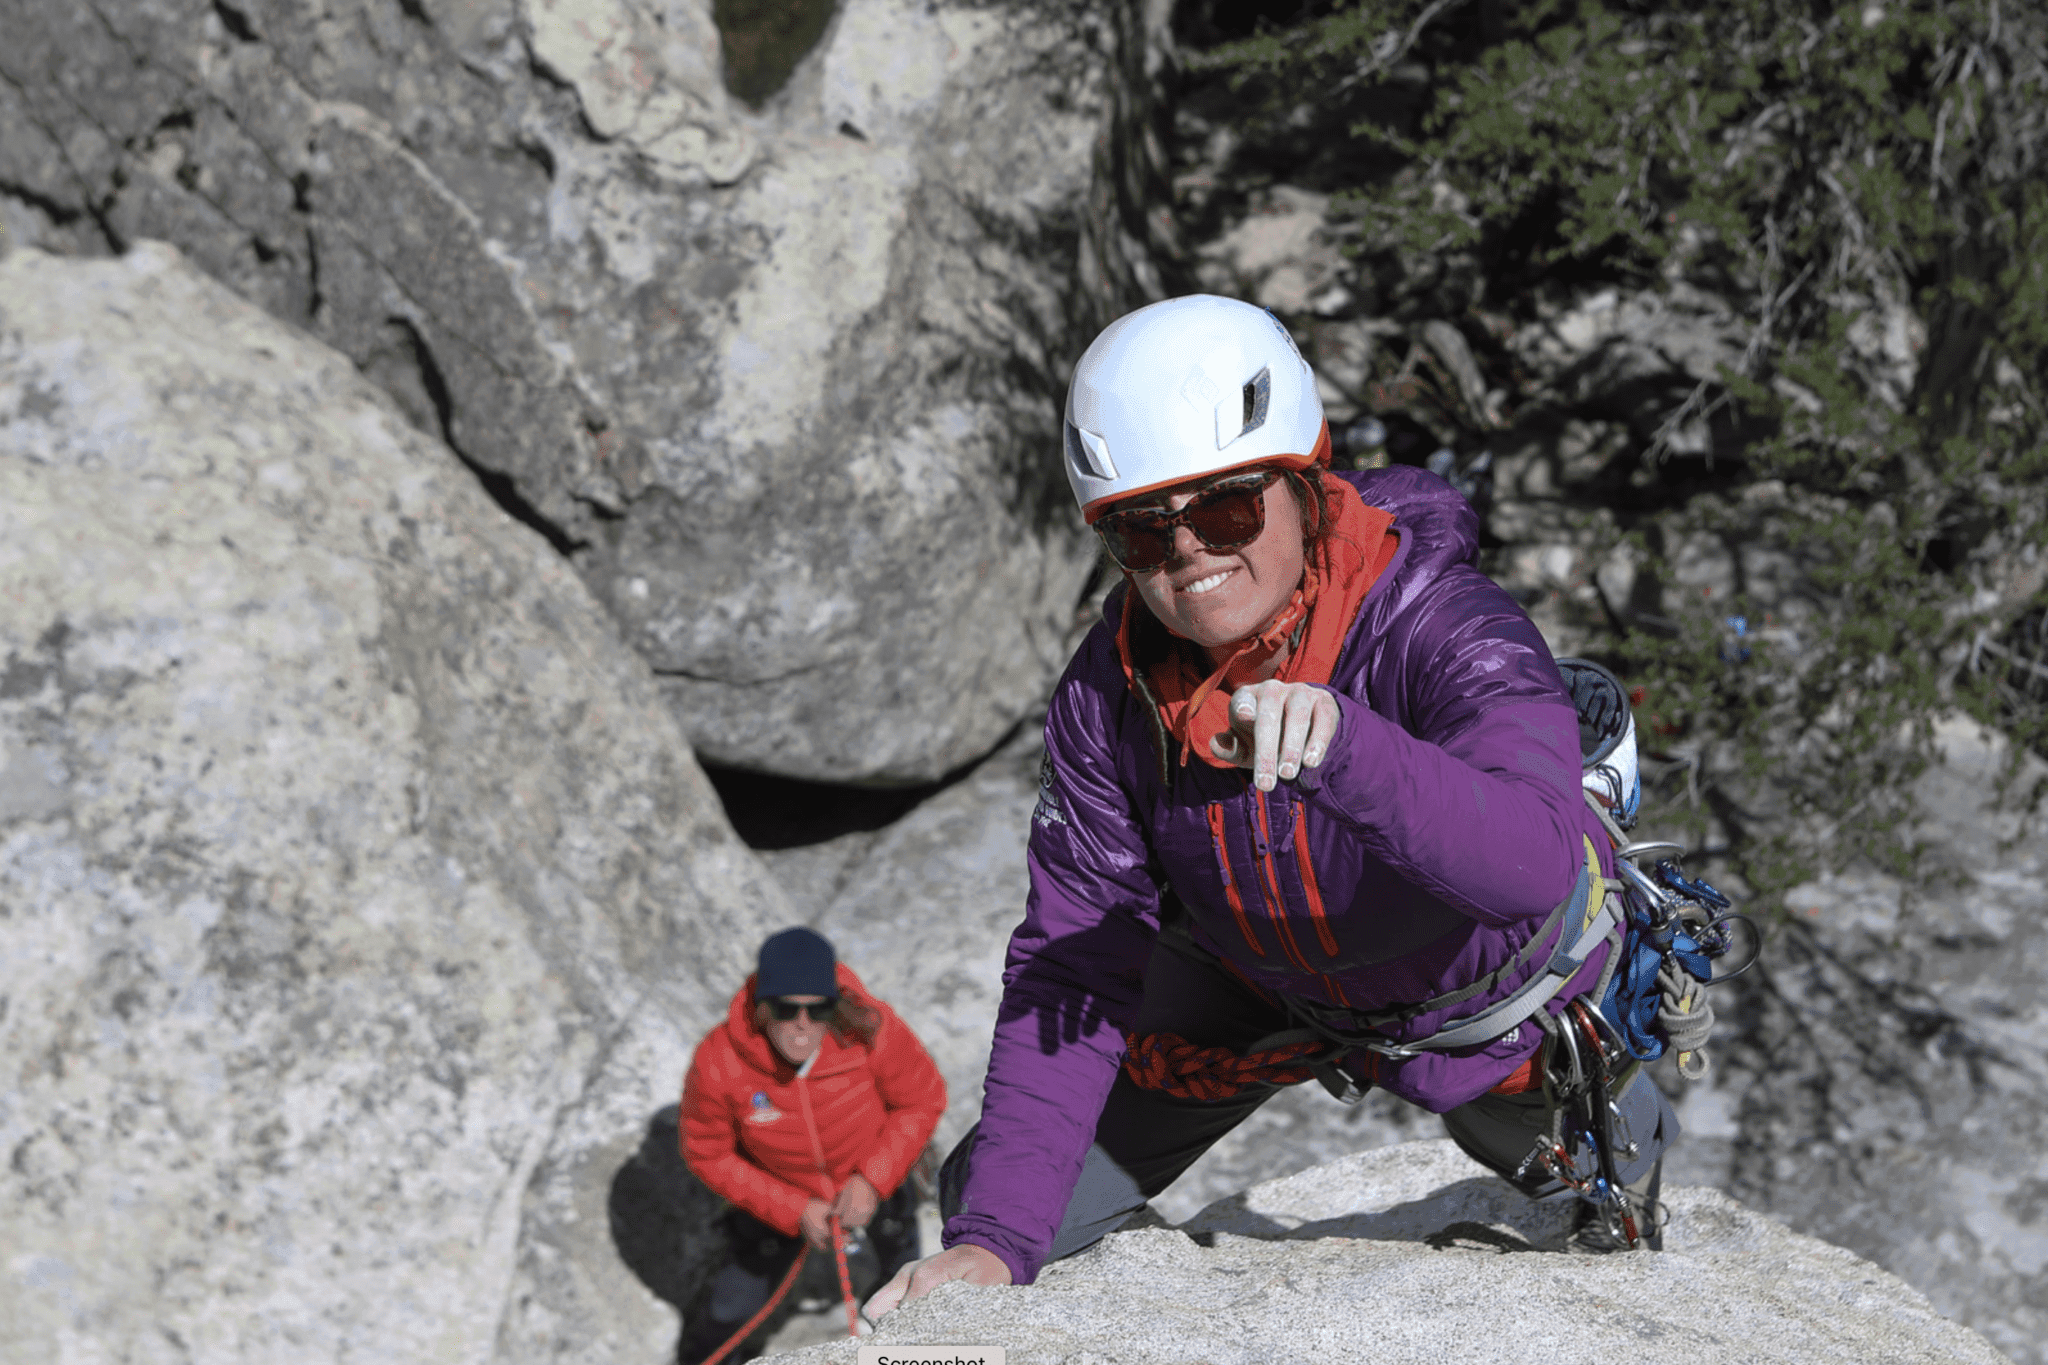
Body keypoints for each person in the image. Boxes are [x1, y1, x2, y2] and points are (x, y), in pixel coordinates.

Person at [868, 294, 1677, 1315]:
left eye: (1224, 510)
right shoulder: (1110, 691)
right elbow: (1076, 951)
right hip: (1258, 979)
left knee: (1594, 1205)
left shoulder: (1440, 621)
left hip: (1474, 993)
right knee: (1005, 1207)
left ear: (1303, 480)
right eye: (1138, 531)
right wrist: (991, 1244)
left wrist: (1347, 747)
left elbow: (1526, 865)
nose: (1188, 556)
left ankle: (1604, 1128)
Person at [679, 927, 944, 1361]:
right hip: (778, 1191)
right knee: (731, 1310)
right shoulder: (719, 1062)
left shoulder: (872, 1030)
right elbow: (708, 1152)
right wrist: (794, 1210)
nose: (802, 1026)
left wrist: (871, 1182)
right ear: (763, 1008)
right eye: (786, 1009)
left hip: (878, 1176)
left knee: (901, 1289)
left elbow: (920, 1099)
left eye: (817, 1009)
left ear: (834, 1006)